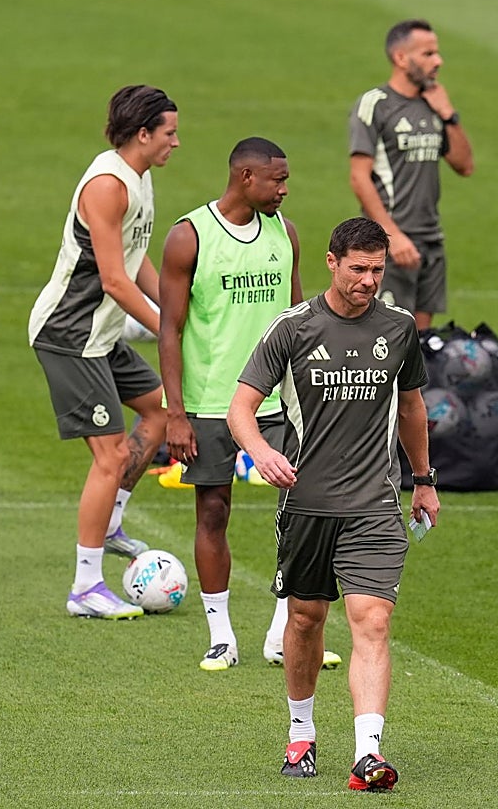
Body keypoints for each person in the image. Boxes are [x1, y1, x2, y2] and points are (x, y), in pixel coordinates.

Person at [227, 217, 439, 792]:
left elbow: (413, 408)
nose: (370, 280)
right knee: (305, 618)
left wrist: (423, 478)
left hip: (374, 504)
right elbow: (240, 408)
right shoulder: (293, 329)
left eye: (378, 269)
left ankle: (368, 753)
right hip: (307, 505)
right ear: (331, 261)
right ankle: (301, 735)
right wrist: (261, 452)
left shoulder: (398, 328)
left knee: (372, 619)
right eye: (359, 269)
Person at [158, 137, 342, 672]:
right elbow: (168, 329)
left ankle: (281, 632)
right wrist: (175, 412)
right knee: (213, 510)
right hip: (212, 400)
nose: (284, 190)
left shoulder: (284, 235)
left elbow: (300, 320)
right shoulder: (188, 237)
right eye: (276, 180)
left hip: (281, 401)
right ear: (245, 177)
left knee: (302, 512)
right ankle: (220, 636)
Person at [28, 85, 178, 619]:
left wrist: (180, 312)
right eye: (169, 133)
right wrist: (166, 332)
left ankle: (110, 521)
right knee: (110, 455)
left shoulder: (141, 178)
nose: (176, 143)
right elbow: (114, 280)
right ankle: (85, 588)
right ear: (142, 134)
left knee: (160, 411)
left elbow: (136, 262)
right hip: (70, 335)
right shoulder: (108, 186)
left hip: (103, 336)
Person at [348, 18, 473, 330]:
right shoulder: (375, 104)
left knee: (420, 343)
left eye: (437, 53)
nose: (438, 61)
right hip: (389, 240)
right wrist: (392, 235)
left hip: (430, 239)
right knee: (385, 337)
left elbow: (464, 165)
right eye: (428, 54)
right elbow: (359, 177)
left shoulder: (433, 105)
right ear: (401, 58)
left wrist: (449, 115)